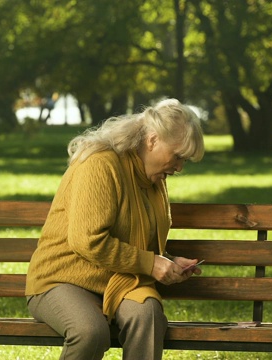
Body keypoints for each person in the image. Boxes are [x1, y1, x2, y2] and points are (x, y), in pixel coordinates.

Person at [25, 98, 205, 360]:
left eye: (184, 160)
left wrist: (167, 260)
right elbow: (88, 241)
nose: (179, 167)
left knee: (148, 316)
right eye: (177, 157)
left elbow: (139, 240)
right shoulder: (100, 163)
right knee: (90, 331)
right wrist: (150, 263)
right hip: (63, 280)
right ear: (152, 140)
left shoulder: (154, 179)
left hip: (121, 280)